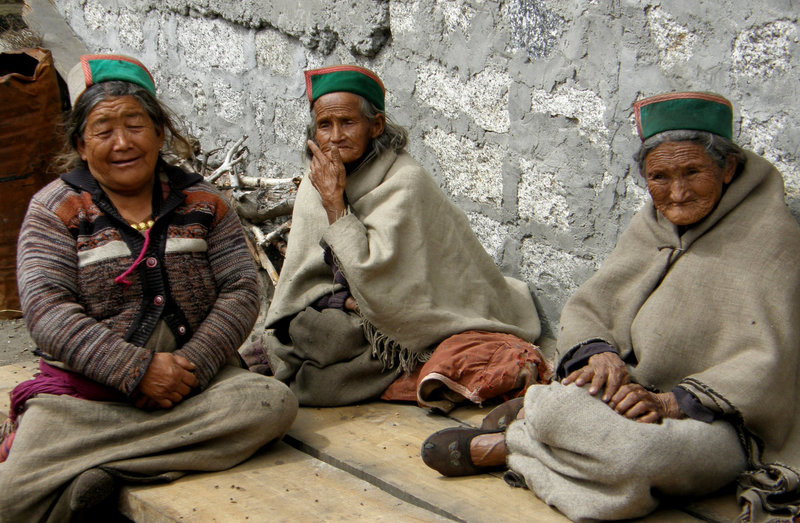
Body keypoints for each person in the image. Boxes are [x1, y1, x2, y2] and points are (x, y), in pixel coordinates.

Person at [420, 92, 800, 521]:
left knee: (636, 456)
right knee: (567, 405)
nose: (676, 193)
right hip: (626, 391)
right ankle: (556, 437)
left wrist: (671, 404)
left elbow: (770, 363)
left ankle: (513, 446)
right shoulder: (652, 224)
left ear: (728, 168)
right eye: (660, 177)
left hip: (716, 421)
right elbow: (594, 302)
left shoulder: (773, 239)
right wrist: (600, 354)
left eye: (693, 171)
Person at [0, 54, 298, 521]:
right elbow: (46, 310)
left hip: (195, 389)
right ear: (80, 143)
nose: (122, 143)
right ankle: (135, 461)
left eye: (135, 125)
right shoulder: (54, 209)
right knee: (9, 501)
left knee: (269, 403)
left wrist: (190, 368)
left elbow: (242, 289)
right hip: (86, 402)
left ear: (160, 132)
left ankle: (108, 468)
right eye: (103, 130)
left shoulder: (204, 202)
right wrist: (136, 370)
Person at [248, 65, 547, 409]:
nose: (335, 136)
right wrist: (334, 300)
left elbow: (390, 281)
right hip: (349, 305)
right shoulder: (318, 180)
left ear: (375, 126)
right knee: (315, 331)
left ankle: (405, 373)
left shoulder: (405, 180)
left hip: (409, 310)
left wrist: (336, 206)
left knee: (335, 339)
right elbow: (304, 277)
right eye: (324, 125)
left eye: (348, 123)